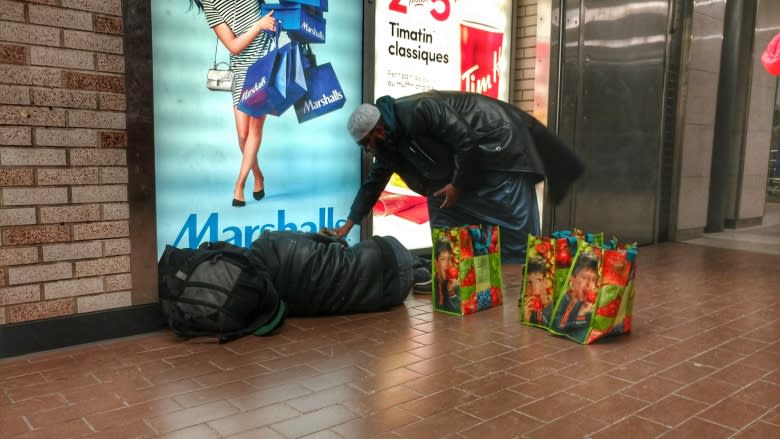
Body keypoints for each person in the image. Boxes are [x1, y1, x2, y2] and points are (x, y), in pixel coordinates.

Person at [334, 90, 584, 263]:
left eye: (367, 142)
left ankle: (522, 290)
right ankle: (457, 284)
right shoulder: (388, 143)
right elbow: (374, 183)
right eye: (363, 146)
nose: (368, 149)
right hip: (462, 169)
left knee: (514, 240)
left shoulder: (419, 110)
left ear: (378, 129)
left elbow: (465, 141)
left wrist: (457, 185)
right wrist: (348, 225)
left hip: (498, 149)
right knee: (444, 223)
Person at [189, 0, 276, 206]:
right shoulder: (210, 4)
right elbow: (234, 46)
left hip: (264, 62)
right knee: (243, 134)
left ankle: (239, 185)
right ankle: (258, 176)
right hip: (240, 68)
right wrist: (258, 25)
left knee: (255, 128)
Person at [550, 253, 598, 341]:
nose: (589, 285)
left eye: (593, 280)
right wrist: (581, 314)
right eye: (584, 277)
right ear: (572, 280)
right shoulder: (568, 299)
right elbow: (558, 327)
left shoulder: (589, 302)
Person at [433, 239, 460, 313]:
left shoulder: (455, 284)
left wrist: (451, 292)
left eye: (449, 259)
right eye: (443, 259)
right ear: (436, 263)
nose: (448, 264)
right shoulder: (434, 282)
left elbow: (459, 310)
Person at [523, 257, 550, 325]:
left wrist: (546, 305)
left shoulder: (555, 308)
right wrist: (526, 320)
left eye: (538, 280)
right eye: (529, 282)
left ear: (546, 283)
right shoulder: (527, 309)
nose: (534, 288)